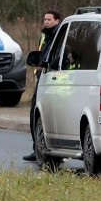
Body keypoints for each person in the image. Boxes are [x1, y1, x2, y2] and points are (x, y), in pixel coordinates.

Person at [23, 10, 62, 162]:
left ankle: (45, 150)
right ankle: (37, 148)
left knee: (40, 113)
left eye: (49, 19)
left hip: (54, 78)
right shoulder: (46, 35)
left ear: (57, 20)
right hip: (43, 77)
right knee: (36, 113)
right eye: (45, 19)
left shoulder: (59, 35)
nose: (46, 22)